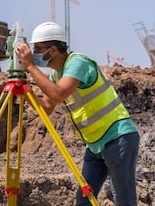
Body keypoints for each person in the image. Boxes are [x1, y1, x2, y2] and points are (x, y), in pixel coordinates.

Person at [15, 22, 140, 206]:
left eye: (38, 48)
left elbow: (58, 94)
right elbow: (47, 107)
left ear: (53, 50)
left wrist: (31, 67)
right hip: (95, 145)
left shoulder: (77, 63)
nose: (34, 53)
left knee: (123, 200)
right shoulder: (57, 75)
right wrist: (24, 90)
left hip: (118, 137)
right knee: (84, 200)